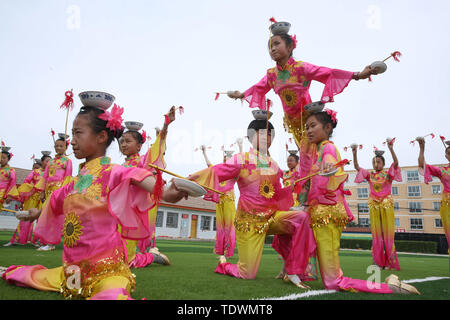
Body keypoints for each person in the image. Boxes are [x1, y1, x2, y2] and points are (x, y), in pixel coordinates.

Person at [1, 101, 187, 300]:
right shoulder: (73, 184)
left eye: (78, 133)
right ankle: (9, 271)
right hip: (73, 273)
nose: (72, 141)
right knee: (32, 277)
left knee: (111, 296)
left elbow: (144, 180)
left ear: (101, 137)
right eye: (72, 134)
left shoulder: (114, 171)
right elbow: (53, 204)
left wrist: (169, 193)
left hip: (107, 272)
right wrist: (34, 213)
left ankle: (143, 261)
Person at [226, 20, 381, 181]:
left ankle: (308, 193)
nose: (272, 49)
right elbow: (258, 88)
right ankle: (314, 187)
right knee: (308, 155)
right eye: (270, 46)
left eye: (276, 44)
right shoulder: (272, 74)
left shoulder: (301, 68)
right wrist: (241, 95)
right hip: (292, 123)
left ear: (290, 47)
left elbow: (328, 73)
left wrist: (358, 75)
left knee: (308, 156)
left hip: (308, 120)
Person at [189, 113, 316, 288]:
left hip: (272, 218)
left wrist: (294, 194)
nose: (267, 138)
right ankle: (224, 266)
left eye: (270, 134)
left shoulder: (274, 165)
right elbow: (217, 172)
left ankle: (293, 269)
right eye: (262, 134)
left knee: (301, 218)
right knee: (247, 274)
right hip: (249, 221)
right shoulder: (241, 160)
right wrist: (189, 182)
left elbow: (277, 193)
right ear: (251, 137)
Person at [300, 109, 418, 294]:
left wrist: (329, 165)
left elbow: (330, 161)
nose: (308, 130)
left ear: (328, 127)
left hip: (327, 215)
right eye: (306, 127)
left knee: (333, 281)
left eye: (313, 125)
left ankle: (391, 287)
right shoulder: (318, 150)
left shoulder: (328, 148)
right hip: (319, 213)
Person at [118, 107, 177, 268]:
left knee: (126, 262)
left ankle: (151, 257)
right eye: (121, 141)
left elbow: (158, 146)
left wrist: (166, 126)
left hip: (133, 214)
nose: (123, 144)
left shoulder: (143, 162)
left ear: (139, 146)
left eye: (128, 141)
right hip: (119, 214)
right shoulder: (121, 165)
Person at [352, 140, 401, 270]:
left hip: (386, 205)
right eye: (374, 162)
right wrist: (354, 152)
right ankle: (378, 261)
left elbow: (396, 164)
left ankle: (390, 263)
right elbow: (357, 167)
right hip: (374, 205)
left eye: (378, 162)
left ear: (383, 164)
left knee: (388, 234)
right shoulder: (370, 175)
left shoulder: (388, 174)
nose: (375, 164)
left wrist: (391, 149)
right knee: (376, 235)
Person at [34, 137, 73, 251]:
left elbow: (68, 177)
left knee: (55, 217)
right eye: (56, 146)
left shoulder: (67, 161)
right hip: (48, 190)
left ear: (66, 147)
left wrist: (62, 193)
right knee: (46, 215)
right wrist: (42, 192)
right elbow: (45, 177)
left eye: (61, 146)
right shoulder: (51, 161)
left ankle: (51, 243)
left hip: (58, 191)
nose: (58, 148)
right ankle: (45, 241)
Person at [417, 137, 450, 272]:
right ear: (446, 156)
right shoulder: (443, 171)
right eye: (449, 153)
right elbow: (423, 165)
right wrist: (422, 147)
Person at [200, 145, 236, 260]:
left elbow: (242, 166)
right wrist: (204, 152)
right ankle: (220, 251)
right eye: (225, 160)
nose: (226, 162)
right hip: (220, 202)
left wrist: (240, 147)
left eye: (229, 160)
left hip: (229, 201)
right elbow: (209, 166)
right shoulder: (218, 173)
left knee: (229, 227)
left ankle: (228, 252)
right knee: (220, 227)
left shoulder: (234, 174)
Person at [5, 159, 42, 246]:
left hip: (42, 197)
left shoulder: (48, 172)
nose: (35, 169)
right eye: (34, 168)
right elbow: (26, 182)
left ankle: (38, 240)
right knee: (26, 217)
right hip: (32, 198)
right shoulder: (35, 172)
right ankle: (19, 239)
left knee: (41, 219)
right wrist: (32, 189)